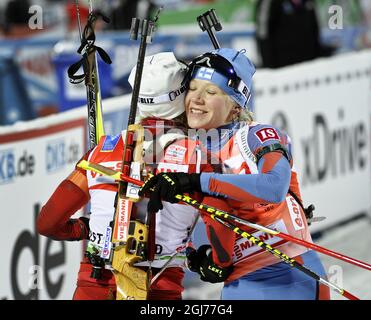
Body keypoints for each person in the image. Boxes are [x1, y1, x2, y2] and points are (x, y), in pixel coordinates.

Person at [139, 47, 331, 300]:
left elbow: (274, 187)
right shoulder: (186, 151)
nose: (196, 99)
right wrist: (205, 260)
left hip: (290, 277)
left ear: (234, 107)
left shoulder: (256, 135)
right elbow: (204, 222)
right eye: (193, 88)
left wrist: (196, 181)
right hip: (240, 284)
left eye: (211, 92)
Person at [37, 51, 221, 299]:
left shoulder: (100, 152)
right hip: (158, 290)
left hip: (94, 284)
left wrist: (87, 229)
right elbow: (225, 241)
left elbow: (47, 223)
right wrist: (206, 261)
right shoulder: (202, 158)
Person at [255, 0, 335, 68]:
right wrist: (271, 69)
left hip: (308, 70)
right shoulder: (268, 2)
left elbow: (315, 32)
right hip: (282, 72)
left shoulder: (309, 2)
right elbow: (262, 35)